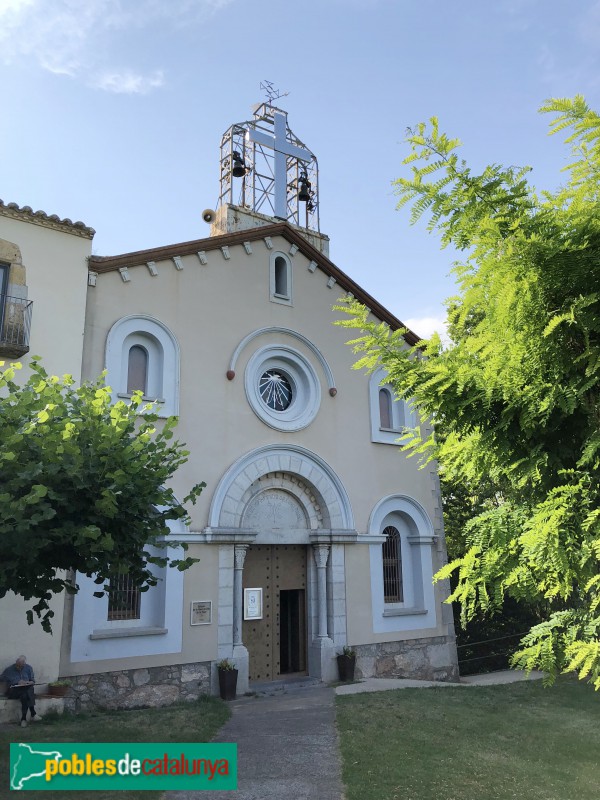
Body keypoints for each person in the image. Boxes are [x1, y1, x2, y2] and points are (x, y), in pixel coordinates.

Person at [1, 655, 43, 727]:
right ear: (16, 662)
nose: (19, 667)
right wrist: (16, 682)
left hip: (24, 691)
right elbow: (1, 678)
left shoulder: (28, 668)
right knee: (28, 691)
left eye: (22, 666)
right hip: (13, 691)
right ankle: (33, 713)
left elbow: (32, 680)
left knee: (25, 694)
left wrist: (30, 682)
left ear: (24, 663)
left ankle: (23, 719)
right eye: (18, 665)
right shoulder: (9, 669)